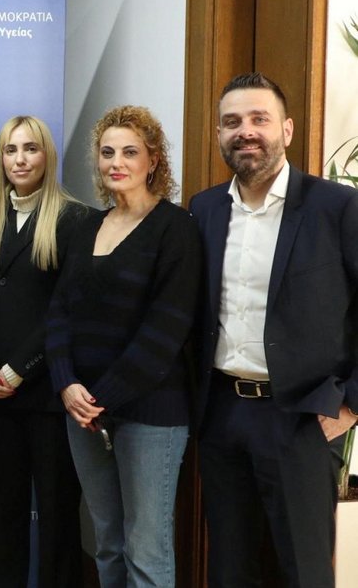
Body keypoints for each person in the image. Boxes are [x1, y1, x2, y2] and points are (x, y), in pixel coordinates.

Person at [190, 72, 358, 588]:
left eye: (259, 118)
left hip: (302, 417)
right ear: (219, 134)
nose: (246, 131)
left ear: (286, 129)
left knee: (305, 570)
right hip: (221, 413)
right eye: (232, 121)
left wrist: (351, 405)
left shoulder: (336, 206)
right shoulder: (204, 208)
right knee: (229, 567)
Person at [46, 105, 199, 588]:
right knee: (107, 543)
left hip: (150, 413)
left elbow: (166, 330)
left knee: (146, 550)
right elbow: (59, 313)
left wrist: (100, 397)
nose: (117, 162)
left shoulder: (177, 228)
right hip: (83, 412)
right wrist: (66, 383)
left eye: (130, 152)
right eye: (107, 152)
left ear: (153, 160)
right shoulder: (87, 226)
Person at [0, 116, 87, 588]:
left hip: (49, 395)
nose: (20, 160)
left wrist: (20, 368)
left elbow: (69, 308)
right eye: (11, 150)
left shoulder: (76, 220)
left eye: (30, 149)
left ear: (47, 155)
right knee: (0, 518)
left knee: (59, 518)